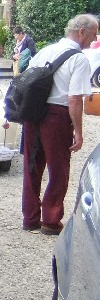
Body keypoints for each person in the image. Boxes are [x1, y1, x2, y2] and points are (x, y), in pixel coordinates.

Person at [22, 14, 98, 235]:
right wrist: (79, 132)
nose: (94, 40)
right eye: (94, 34)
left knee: (32, 167)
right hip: (57, 116)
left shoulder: (46, 51)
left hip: (33, 113)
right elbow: (74, 99)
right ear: (82, 32)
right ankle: (51, 220)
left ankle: (30, 218)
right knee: (58, 169)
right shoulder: (79, 59)